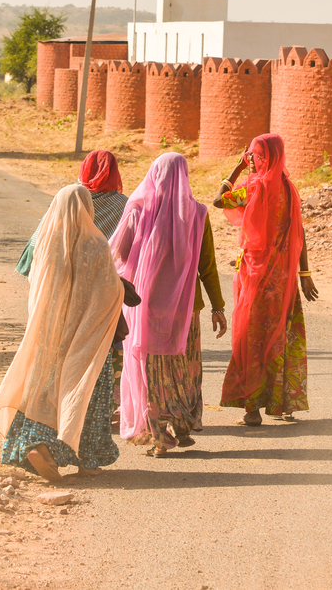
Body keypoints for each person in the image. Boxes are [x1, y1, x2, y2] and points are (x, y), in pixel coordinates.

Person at [0, 184, 125, 481]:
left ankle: (39, 445)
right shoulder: (95, 244)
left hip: (50, 334)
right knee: (87, 392)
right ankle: (87, 460)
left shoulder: (47, 243)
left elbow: (37, 288)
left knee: (44, 392)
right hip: (86, 337)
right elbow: (108, 291)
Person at [109, 152, 228, 456]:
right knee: (184, 368)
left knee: (154, 370)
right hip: (187, 310)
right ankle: (183, 424)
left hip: (147, 309)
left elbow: (119, 255)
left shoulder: (138, 210)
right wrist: (218, 307)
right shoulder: (198, 214)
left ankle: (160, 435)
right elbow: (208, 267)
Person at [213, 133, 319, 426]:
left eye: (255, 156)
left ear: (261, 157)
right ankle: (280, 402)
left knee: (252, 336)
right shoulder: (288, 189)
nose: (253, 160)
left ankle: (251, 408)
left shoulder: (253, 187)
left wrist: (236, 169)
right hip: (283, 279)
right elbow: (299, 232)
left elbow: (219, 200)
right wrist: (304, 273)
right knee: (281, 335)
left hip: (256, 278)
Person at [15, 149, 128, 277]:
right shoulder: (121, 203)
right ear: (114, 172)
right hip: (93, 266)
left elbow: (48, 225)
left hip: (56, 258)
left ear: (85, 167)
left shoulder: (70, 193)